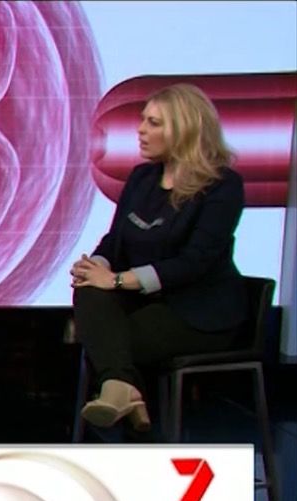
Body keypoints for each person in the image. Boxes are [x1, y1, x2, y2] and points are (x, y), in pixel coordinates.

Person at [71, 83, 246, 432]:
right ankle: (124, 393)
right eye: (143, 120)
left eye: (153, 123)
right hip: (145, 302)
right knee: (90, 292)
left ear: (184, 129)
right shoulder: (142, 178)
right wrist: (96, 267)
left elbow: (195, 263)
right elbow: (115, 241)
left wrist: (117, 280)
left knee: (108, 341)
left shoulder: (223, 185)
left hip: (198, 311)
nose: (140, 130)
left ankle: (123, 396)